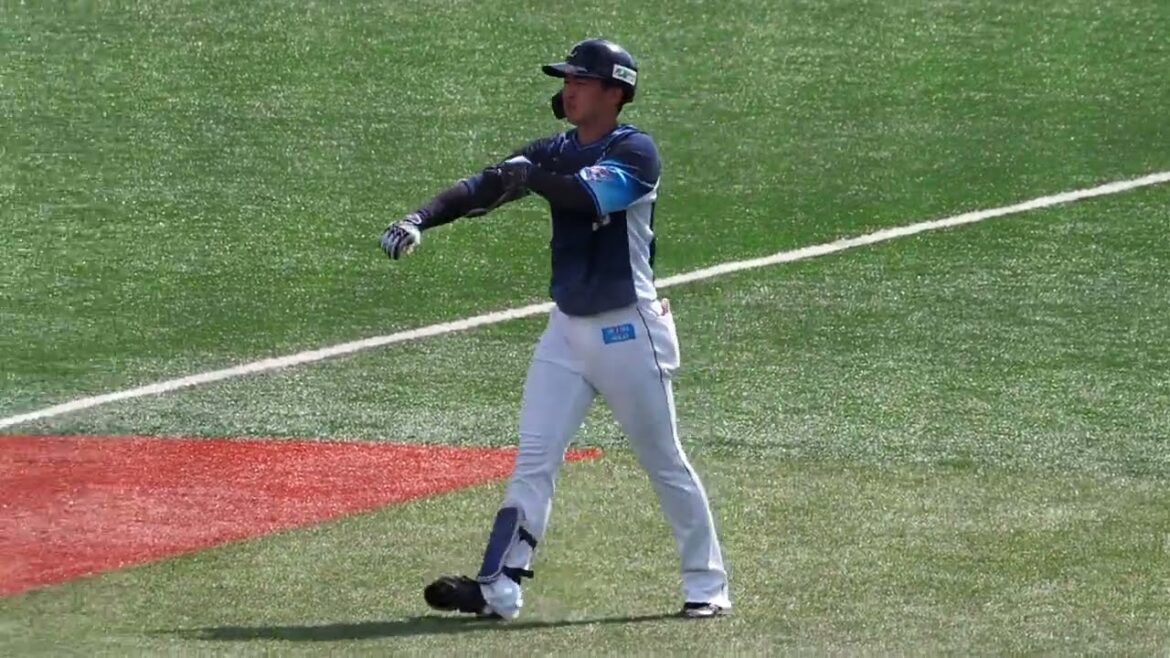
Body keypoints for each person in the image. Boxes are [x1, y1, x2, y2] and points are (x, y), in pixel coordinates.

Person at [380, 38, 730, 620]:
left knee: (663, 461)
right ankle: (497, 589)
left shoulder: (635, 152)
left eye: (581, 81)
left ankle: (707, 586)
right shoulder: (555, 151)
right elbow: (487, 186)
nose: (569, 90)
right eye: (566, 80)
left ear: (615, 93)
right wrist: (420, 219)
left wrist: (533, 176)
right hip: (565, 332)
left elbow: (588, 196)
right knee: (534, 459)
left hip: (627, 331)